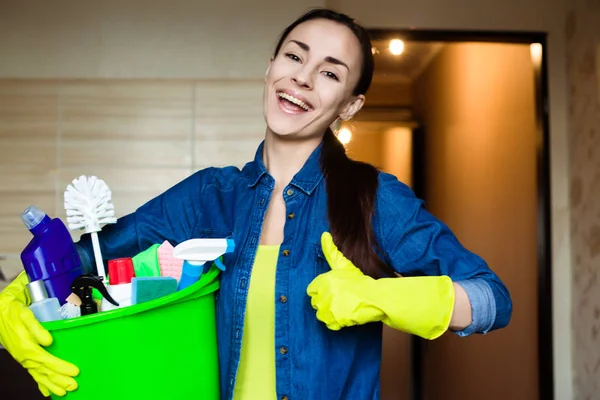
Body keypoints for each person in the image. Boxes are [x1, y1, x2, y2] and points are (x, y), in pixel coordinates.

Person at [0, 7, 512, 400]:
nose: (303, 79)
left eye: (331, 74)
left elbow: (492, 300)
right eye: (295, 56)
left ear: (350, 105)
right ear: (270, 68)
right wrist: (14, 300)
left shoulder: (374, 199)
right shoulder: (208, 196)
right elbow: (87, 258)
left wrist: (384, 298)